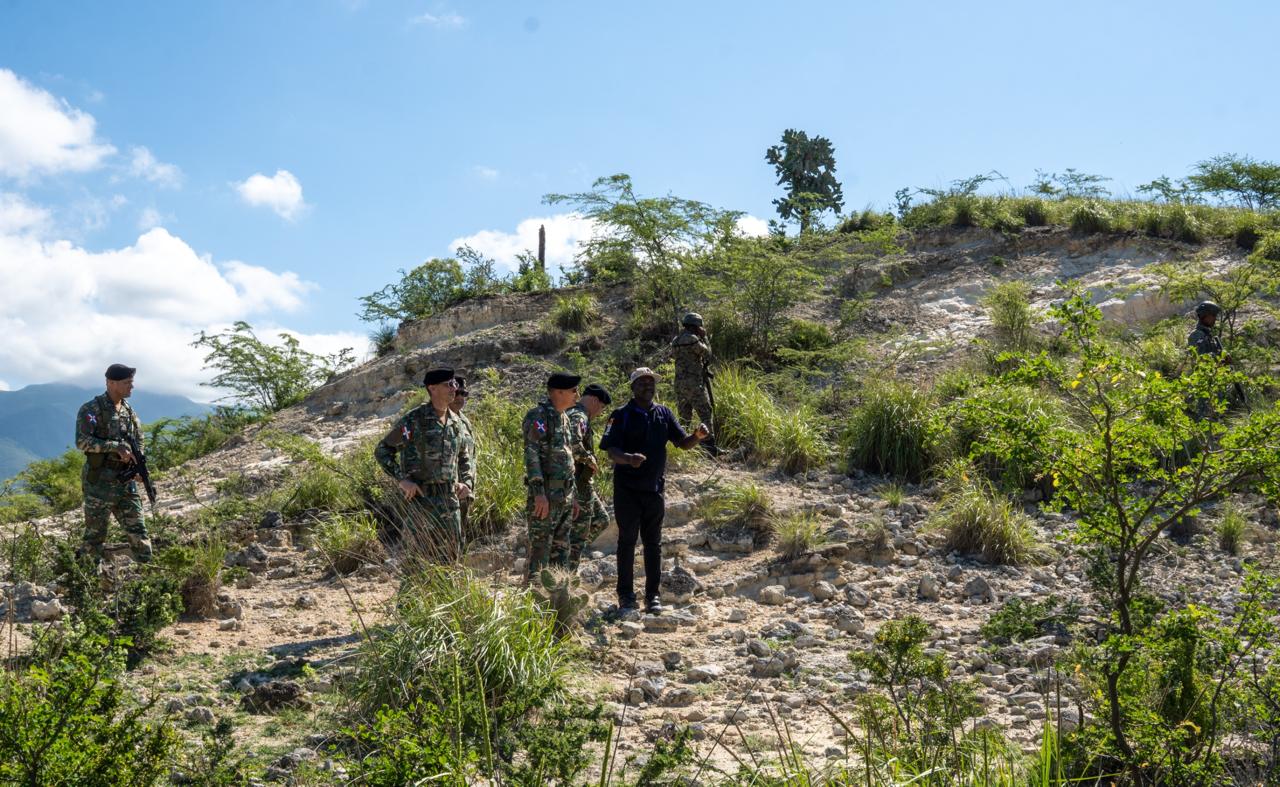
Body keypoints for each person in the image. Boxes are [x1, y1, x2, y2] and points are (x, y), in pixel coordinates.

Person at [599, 367, 709, 614]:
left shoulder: (664, 413)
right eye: (642, 382)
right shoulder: (620, 415)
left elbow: (682, 443)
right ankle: (626, 595)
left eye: (652, 383)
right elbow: (610, 450)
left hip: (655, 489)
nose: (648, 386)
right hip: (627, 490)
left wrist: (697, 436)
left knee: (653, 544)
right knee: (627, 542)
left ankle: (652, 597)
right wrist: (628, 459)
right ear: (633, 387)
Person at [374, 367, 473, 559]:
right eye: (449, 384)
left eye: (454, 384)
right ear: (432, 388)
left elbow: (464, 456)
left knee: (452, 561)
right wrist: (402, 479)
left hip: (450, 503)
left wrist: (466, 483)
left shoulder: (456, 422)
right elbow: (382, 450)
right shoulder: (414, 420)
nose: (454, 388)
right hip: (421, 503)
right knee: (417, 563)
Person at [76, 363, 153, 564]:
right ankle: (84, 582)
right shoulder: (92, 409)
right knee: (95, 537)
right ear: (111, 383)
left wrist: (138, 465)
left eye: (131, 382)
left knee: (139, 531)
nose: (132, 387)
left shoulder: (129, 412)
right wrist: (115, 447)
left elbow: (139, 440)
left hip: (126, 482)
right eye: (127, 382)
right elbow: (82, 441)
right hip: (99, 482)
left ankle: (148, 576)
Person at [522, 372, 581, 578]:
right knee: (540, 553)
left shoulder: (563, 417)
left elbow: (568, 460)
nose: (577, 395)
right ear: (558, 392)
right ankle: (534, 603)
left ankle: (556, 604)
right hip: (546, 496)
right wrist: (538, 493)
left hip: (564, 496)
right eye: (573, 391)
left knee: (561, 552)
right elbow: (532, 455)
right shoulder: (539, 416)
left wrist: (573, 496)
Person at [566, 382, 612, 567]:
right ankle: (566, 569)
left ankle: (566, 552)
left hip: (583, 483)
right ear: (593, 400)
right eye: (601, 407)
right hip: (576, 484)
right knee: (578, 535)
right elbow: (572, 442)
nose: (600, 412)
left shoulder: (574, 413)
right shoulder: (579, 416)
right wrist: (589, 459)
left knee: (601, 519)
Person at [670, 312, 717, 454]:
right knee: (705, 412)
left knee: (684, 416)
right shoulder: (693, 339)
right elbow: (708, 354)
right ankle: (709, 447)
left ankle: (682, 447)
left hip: (679, 383)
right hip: (694, 383)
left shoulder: (676, 340)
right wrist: (705, 337)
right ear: (696, 326)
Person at [449, 374, 476, 537]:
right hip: (450, 491)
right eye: (457, 393)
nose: (460, 398)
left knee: (461, 533)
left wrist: (469, 483)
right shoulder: (440, 420)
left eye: (464, 394)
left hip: (466, 488)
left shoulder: (463, 420)